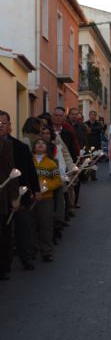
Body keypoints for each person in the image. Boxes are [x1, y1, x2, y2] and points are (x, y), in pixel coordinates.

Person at [0, 110, 41, 271]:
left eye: (4, 123)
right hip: (2, 196)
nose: (1, 126)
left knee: (24, 228)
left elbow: (31, 170)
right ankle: (5, 265)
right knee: (4, 233)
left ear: (10, 126)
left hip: (21, 194)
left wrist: (36, 190)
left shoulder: (21, 147)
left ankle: (26, 258)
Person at [31, 139, 62, 262]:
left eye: (43, 143)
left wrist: (45, 187)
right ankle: (31, 251)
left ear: (46, 147)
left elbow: (57, 180)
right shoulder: (29, 162)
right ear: (34, 147)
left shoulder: (51, 163)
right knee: (31, 226)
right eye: (37, 143)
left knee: (46, 225)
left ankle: (46, 251)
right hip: (31, 198)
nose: (40, 144)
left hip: (46, 199)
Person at [0, 137, 19, 280]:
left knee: (3, 231)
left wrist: (14, 197)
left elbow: (10, 169)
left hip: (2, 194)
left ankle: (3, 266)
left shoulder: (6, 144)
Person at [84, 110, 102, 181]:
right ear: (89, 115)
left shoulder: (98, 123)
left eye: (94, 114)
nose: (93, 116)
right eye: (92, 114)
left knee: (95, 161)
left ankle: (93, 176)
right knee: (87, 161)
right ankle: (86, 175)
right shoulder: (85, 123)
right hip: (88, 144)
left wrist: (91, 130)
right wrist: (94, 131)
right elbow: (85, 131)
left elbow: (99, 129)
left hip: (96, 144)